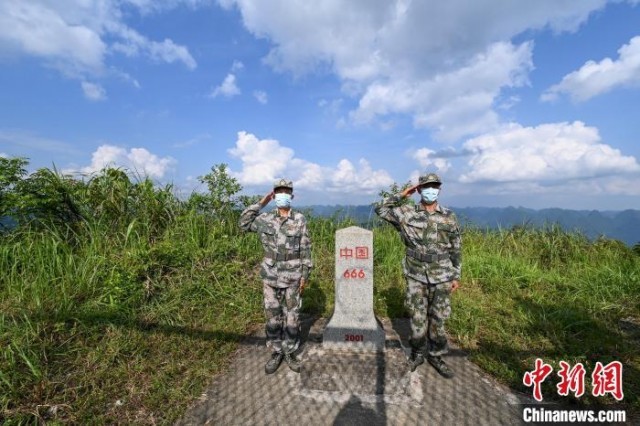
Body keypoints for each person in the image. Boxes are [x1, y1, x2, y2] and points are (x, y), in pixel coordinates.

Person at [375, 173, 461, 378]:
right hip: (415, 274)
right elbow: (380, 208)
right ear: (420, 189)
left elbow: (456, 247)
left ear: (439, 189)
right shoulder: (406, 213)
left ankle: (436, 355)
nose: (431, 190)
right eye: (426, 186)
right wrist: (403, 194)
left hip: (442, 275)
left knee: (439, 317)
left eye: (434, 186)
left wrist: (456, 275)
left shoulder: (449, 216)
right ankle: (417, 352)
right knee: (417, 317)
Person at [238, 178, 313, 374]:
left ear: (292, 195)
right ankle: (276, 351)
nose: (282, 195)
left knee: (292, 317)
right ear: (273, 195)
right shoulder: (265, 219)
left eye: (286, 191)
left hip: (293, 275)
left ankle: (289, 351)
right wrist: (261, 203)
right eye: (279, 191)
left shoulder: (299, 219)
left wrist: (305, 274)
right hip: (270, 275)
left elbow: (306, 248)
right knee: (272, 317)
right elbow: (243, 223)